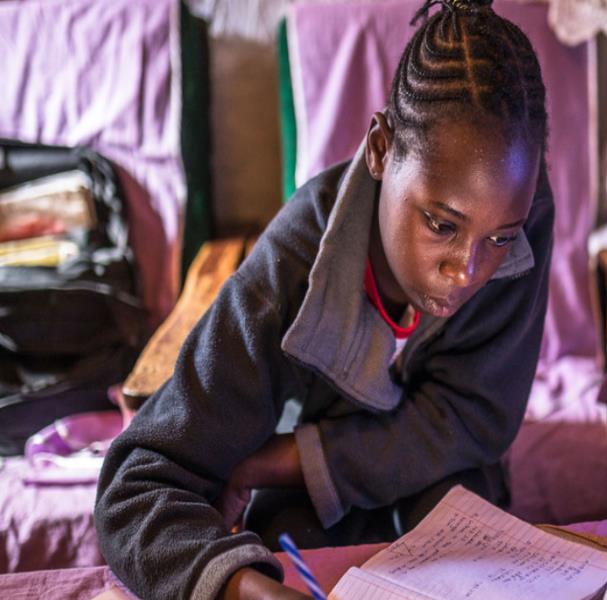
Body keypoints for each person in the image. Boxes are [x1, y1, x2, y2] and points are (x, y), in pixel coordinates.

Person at [94, 0, 554, 598]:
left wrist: (265, 460)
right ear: (382, 149)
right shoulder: (291, 266)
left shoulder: (525, 210)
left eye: (500, 237)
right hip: (310, 495)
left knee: (472, 565)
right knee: (288, 546)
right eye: (441, 224)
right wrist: (241, 588)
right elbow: (135, 488)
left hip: (444, 469)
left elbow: (476, 421)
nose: (467, 270)